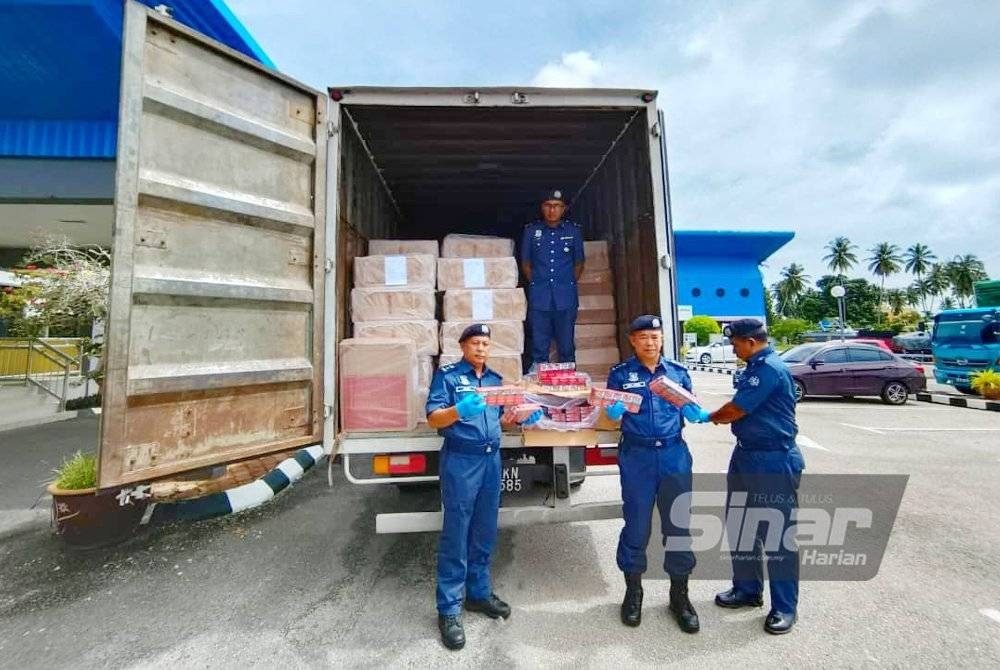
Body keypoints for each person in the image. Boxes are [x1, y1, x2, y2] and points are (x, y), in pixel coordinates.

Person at [426, 323, 543, 650]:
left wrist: (521, 415)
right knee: (456, 532)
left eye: (485, 344)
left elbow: (505, 416)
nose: (480, 349)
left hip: (491, 461)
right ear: (463, 346)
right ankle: (448, 608)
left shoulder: (494, 382)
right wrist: (458, 410)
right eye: (475, 343)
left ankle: (478, 594)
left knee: (484, 530)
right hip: (461, 461)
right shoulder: (448, 377)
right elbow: (433, 417)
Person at [603, 314, 710, 631]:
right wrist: (613, 411)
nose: (651, 342)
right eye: (644, 337)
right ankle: (633, 592)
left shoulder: (677, 373)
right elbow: (610, 418)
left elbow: (690, 407)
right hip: (637, 456)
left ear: (662, 339)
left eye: (656, 336)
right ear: (633, 341)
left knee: (678, 526)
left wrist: (694, 409)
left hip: (674, 454)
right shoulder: (621, 374)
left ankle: (680, 596)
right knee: (636, 526)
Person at [707, 318, 805, 635]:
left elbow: (736, 410)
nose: (733, 348)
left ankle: (785, 608)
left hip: (773, 458)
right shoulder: (753, 365)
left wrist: (708, 417)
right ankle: (747, 590)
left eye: (735, 343)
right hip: (746, 454)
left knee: (777, 536)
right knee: (741, 525)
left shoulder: (769, 369)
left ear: (750, 341)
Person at [520, 189, 585, 367]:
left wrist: (567, 283)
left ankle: (568, 383)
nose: (552, 210)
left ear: (563, 209)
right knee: (540, 345)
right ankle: (539, 386)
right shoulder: (532, 231)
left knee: (566, 345)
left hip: (566, 296)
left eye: (557, 206)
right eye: (548, 206)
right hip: (540, 296)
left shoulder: (573, 231)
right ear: (542, 208)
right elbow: (526, 263)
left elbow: (579, 263)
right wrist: (536, 282)